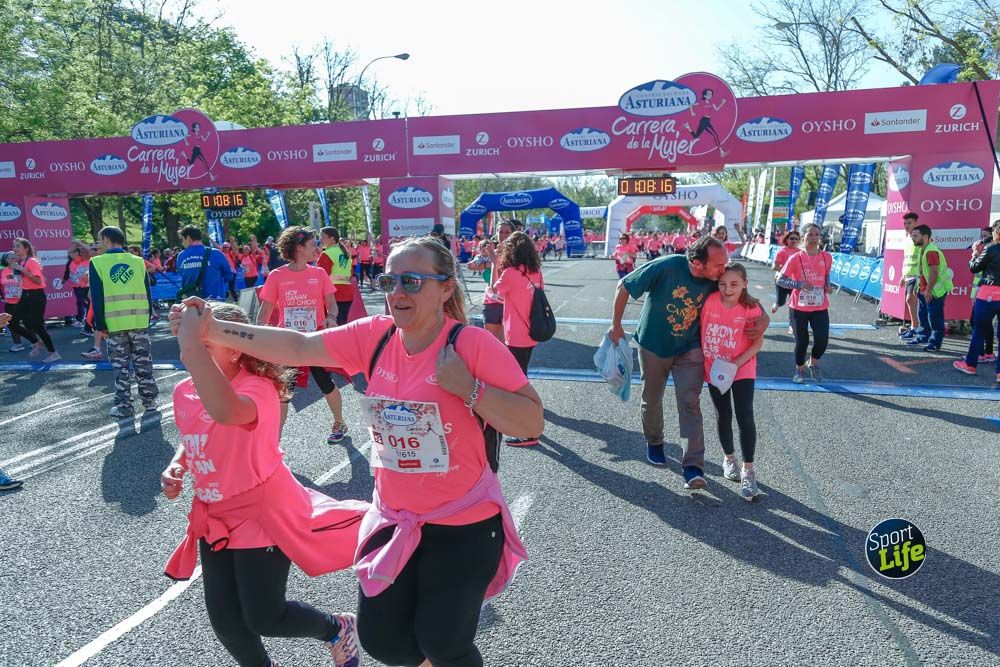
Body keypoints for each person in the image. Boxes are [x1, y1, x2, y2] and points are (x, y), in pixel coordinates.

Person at [169, 235, 542, 667]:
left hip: (464, 524)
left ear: (446, 288)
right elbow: (298, 346)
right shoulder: (376, 336)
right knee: (384, 643)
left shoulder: (471, 346)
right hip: (395, 517)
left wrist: (470, 389)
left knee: (443, 642)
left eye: (412, 281)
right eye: (389, 281)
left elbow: (531, 421)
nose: (397, 293)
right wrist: (212, 328)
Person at [162, 301, 364, 667]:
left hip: (261, 513)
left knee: (264, 616)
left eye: (203, 345)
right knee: (225, 620)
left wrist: (192, 347)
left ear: (236, 348)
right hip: (216, 513)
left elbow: (226, 412)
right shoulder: (184, 391)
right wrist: (178, 464)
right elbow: (197, 429)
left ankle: (337, 627)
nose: (191, 351)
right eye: (191, 344)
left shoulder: (257, 390)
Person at [610, 236, 767, 489]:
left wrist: (765, 319)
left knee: (690, 403)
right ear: (696, 263)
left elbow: (743, 296)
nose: (723, 270)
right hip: (654, 344)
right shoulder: (667, 266)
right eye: (718, 265)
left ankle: (693, 466)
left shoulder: (716, 279)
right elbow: (624, 285)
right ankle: (655, 441)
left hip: (690, 348)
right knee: (652, 398)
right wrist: (616, 325)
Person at [258, 227, 349, 444]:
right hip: (288, 343)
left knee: (325, 383)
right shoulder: (277, 276)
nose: (316, 248)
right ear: (299, 248)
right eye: (312, 244)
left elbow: (332, 305)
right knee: (283, 392)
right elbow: (265, 313)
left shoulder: (318, 274)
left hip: (313, 340)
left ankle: (339, 423)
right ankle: (275, 441)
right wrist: (259, 336)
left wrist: (332, 317)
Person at [700, 262, 763, 500]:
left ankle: (748, 470)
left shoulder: (751, 308)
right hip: (714, 368)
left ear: (745, 284)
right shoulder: (710, 301)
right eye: (723, 284)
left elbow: (757, 343)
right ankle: (729, 459)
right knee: (722, 414)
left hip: (741, 366)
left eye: (734, 284)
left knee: (745, 415)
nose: (728, 289)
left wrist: (734, 365)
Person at [90, 226, 158, 418]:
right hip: (139, 321)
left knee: (121, 368)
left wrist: (100, 325)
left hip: (114, 324)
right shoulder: (137, 261)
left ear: (106, 239)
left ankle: (124, 406)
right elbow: (147, 291)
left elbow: (97, 296)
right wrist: (145, 318)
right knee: (143, 363)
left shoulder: (97, 262)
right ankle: (150, 402)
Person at [493, 231, 545, 447]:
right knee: (521, 374)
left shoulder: (510, 273)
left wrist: (497, 262)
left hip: (515, 332)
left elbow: (495, 291)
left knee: (518, 380)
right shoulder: (535, 271)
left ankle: (529, 429)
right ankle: (528, 423)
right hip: (532, 330)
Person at [777, 223, 833, 383]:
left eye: (816, 234)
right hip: (798, 307)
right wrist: (799, 285)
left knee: (822, 340)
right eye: (810, 235)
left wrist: (828, 286)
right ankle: (799, 369)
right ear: (804, 237)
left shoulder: (826, 257)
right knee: (802, 341)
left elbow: (826, 275)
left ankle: (814, 363)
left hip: (820, 306)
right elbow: (781, 280)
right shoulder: (795, 258)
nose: (814, 238)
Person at [954, 219, 1000, 380]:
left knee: (979, 331)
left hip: (988, 294)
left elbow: (974, 267)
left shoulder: (991, 249)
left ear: (996, 233)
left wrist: (974, 253)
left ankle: (970, 365)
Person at [7, 238, 60, 363]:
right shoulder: (20, 261)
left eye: (18, 246)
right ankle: (36, 342)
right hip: (25, 295)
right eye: (14, 246)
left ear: (26, 248)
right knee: (12, 322)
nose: (15, 248)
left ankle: (53, 353)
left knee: (37, 325)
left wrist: (22, 270)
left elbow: (38, 281)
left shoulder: (31, 261)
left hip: (36, 295)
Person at [905, 224, 952, 352]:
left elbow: (934, 273)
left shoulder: (931, 251)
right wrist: (919, 286)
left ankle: (935, 343)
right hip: (925, 290)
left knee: (935, 318)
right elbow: (923, 271)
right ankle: (923, 336)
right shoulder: (923, 249)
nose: (913, 238)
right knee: (923, 315)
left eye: (916, 236)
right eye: (912, 235)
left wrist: (928, 290)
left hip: (935, 291)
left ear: (925, 237)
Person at [468, 221, 513, 343]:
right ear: (496, 233)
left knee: (506, 342)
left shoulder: (517, 251)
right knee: (491, 340)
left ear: (512, 234)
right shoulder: (490, 248)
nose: (503, 235)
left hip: (509, 300)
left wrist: (493, 263)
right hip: (491, 298)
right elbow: (472, 266)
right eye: (500, 232)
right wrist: (490, 263)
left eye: (507, 232)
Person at [176, 225, 234, 301]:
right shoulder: (216, 253)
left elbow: (183, 274)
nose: (182, 243)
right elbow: (229, 275)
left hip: (192, 304)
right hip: (216, 301)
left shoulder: (181, 256)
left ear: (188, 238)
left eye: (183, 240)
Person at [317, 227, 356, 327]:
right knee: (342, 324)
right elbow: (350, 274)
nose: (320, 239)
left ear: (332, 239)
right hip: (347, 292)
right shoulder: (345, 253)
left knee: (331, 326)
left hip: (333, 293)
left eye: (323, 237)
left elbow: (321, 277)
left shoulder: (327, 254)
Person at [898, 212, 923, 340]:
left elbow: (923, 256)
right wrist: (903, 275)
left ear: (916, 223)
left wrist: (921, 275)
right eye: (905, 223)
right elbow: (906, 258)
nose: (906, 225)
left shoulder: (920, 238)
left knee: (910, 300)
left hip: (917, 276)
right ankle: (915, 327)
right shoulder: (906, 239)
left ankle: (916, 327)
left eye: (909, 223)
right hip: (908, 275)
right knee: (910, 302)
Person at [770, 230, 801, 334]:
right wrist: (785, 271)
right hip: (782, 281)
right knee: (782, 301)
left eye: (796, 239)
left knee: (793, 304)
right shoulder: (781, 251)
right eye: (792, 238)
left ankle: (792, 325)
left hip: (795, 283)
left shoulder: (800, 252)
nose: (794, 240)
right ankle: (777, 304)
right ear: (786, 239)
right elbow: (774, 267)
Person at [1, 252, 25, 352]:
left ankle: (35, 341)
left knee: (28, 322)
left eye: (14, 257)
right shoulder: (3, 270)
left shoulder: (21, 269)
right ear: (6, 260)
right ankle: (18, 343)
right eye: (9, 257)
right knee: (11, 323)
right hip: (9, 301)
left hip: (23, 300)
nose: (12, 259)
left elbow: (28, 282)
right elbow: (2, 282)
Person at [67, 245, 91, 328]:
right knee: (81, 303)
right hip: (79, 286)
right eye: (80, 251)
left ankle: (86, 322)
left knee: (87, 304)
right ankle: (83, 321)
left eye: (83, 251)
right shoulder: (77, 261)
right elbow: (70, 252)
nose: (82, 253)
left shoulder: (90, 260)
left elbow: (85, 276)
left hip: (86, 286)